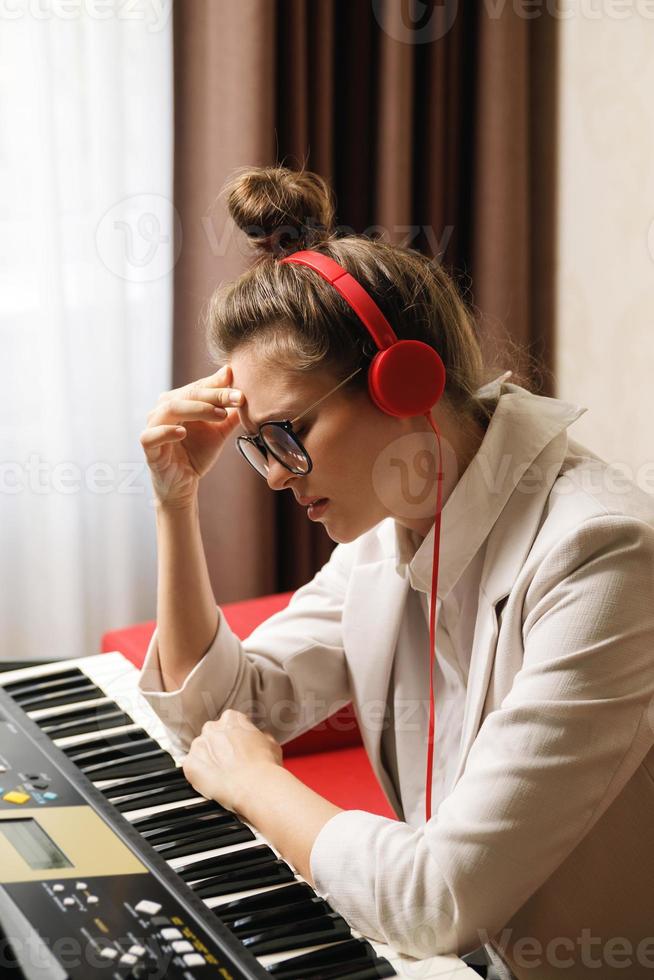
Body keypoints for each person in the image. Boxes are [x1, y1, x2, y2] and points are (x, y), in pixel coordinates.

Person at [138, 166, 654, 980]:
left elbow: (437, 898)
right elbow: (222, 713)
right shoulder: (393, 526)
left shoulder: (603, 558)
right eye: (258, 446)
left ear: (403, 381)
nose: (275, 475)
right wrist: (177, 504)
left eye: (287, 433)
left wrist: (257, 786)